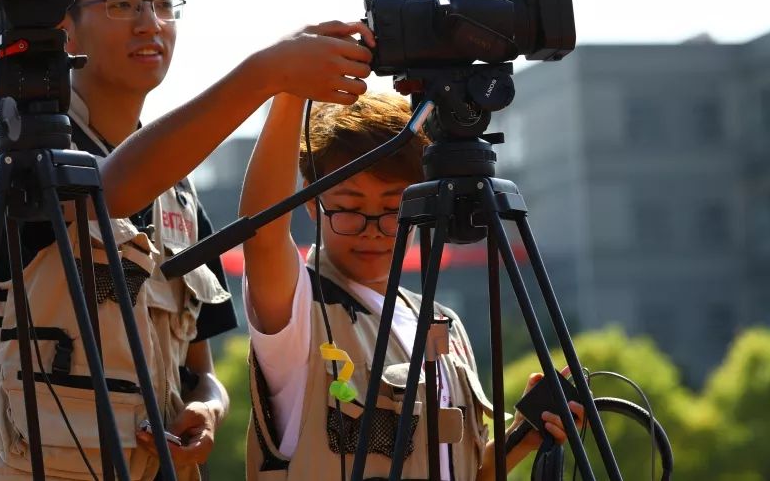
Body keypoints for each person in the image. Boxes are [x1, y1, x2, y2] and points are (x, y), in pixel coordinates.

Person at [0, 0, 373, 481]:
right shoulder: (18, 153)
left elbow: (199, 371)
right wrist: (265, 73)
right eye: (122, 3)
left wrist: (207, 410)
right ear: (66, 28)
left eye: (161, 3)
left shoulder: (178, 191)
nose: (149, 23)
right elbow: (110, 192)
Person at [239, 91, 585, 480]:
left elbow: (466, 473)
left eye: (393, 209)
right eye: (350, 208)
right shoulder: (301, 308)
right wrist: (289, 93)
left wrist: (523, 435)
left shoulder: (442, 323)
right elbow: (262, 236)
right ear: (310, 201)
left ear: (424, 203)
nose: (371, 230)